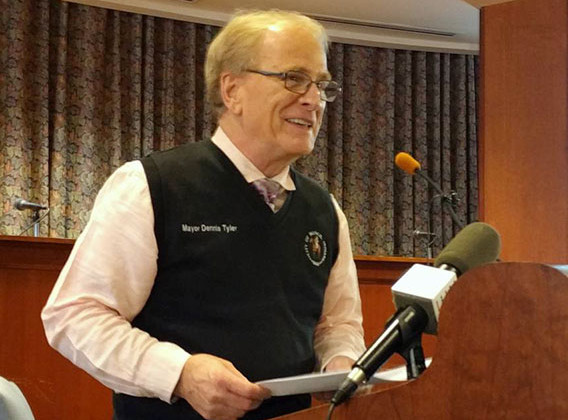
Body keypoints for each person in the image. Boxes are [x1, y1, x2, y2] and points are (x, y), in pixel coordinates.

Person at [41, 9, 366, 420]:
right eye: (293, 78)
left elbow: (336, 326)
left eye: (321, 85)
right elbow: (74, 316)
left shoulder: (325, 210)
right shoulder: (151, 185)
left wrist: (340, 365)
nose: (313, 99)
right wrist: (180, 373)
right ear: (232, 90)